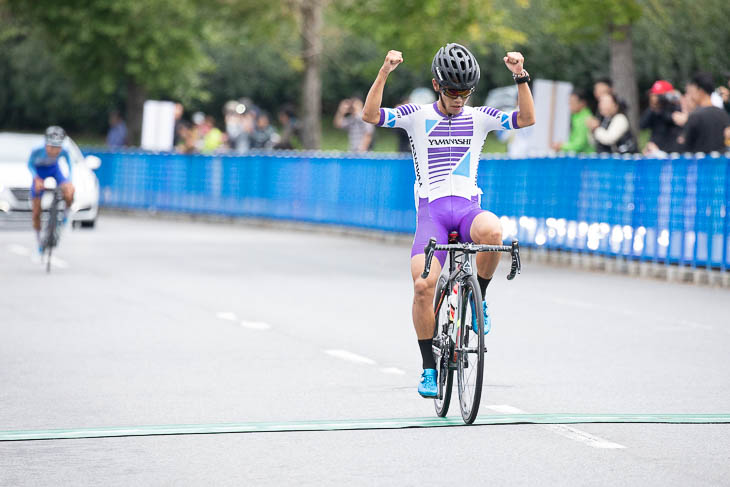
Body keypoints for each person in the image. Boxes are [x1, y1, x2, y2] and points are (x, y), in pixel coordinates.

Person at [362, 44, 535, 398]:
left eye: (465, 92)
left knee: (495, 231)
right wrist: (384, 72)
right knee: (424, 286)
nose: (459, 98)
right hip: (432, 215)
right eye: (453, 91)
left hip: (468, 208)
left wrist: (520, 76)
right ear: (437, 85)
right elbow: (370, 116)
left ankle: (478, 298)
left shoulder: (480, 116)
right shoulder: (416, 115)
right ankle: (428, 367)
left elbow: (526, 119)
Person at [28, 126, 74, 252]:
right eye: (52, 147)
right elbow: (30, 164)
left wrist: (69, 180)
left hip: (54, 170)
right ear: (46, 145)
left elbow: (70, 164)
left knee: (70, 190)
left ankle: (65, 215)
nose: (55, 151)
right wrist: (36, 178)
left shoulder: (64, 150)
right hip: (39, 172)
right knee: (36, 212)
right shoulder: (37, 150)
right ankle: (39, 241)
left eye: (58, 148)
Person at [678, 72, 730, 153]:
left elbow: (685, 147)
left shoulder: (695, 116)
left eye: (691, 91)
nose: (690, 95)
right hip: (720, 164)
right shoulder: (723, 114)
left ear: (700, 91)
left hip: (700, 163)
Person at [640, 80, 683, 154]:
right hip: (654, 149)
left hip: (670, 152)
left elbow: (671, 119)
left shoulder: (675, 108)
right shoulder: (653, 111)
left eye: (658, 95)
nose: (654, 98)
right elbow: (642, 125)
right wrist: (653, 108)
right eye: (652, 95)